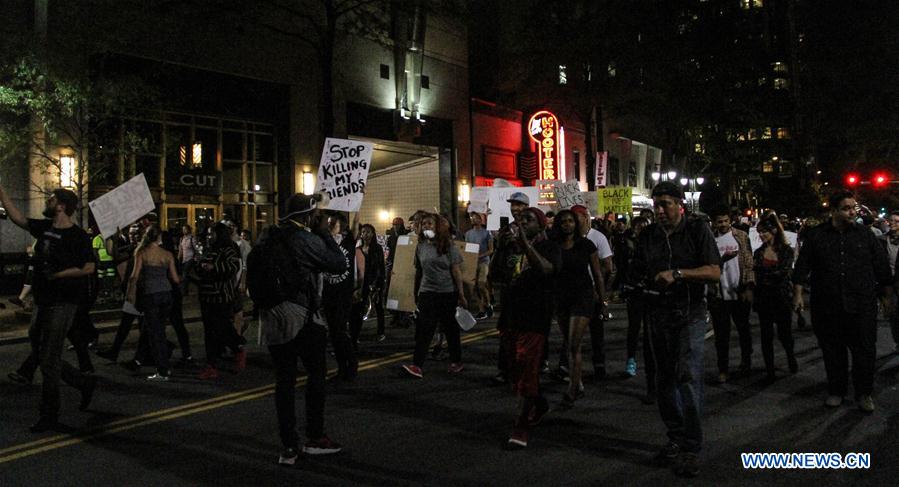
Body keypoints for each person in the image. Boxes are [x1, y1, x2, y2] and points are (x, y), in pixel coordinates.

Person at [629, 181, 720, 477]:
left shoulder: (697, 230)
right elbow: (638, 270)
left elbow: (713, 272)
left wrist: (678, 275)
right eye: (656, 205)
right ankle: (676, 437)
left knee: (688, 377)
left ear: (681, 204)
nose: (660, 210)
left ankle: (692, 445)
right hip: (657, 313)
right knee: (664, 379)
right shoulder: (649, 236)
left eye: (666, 204)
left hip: (689, 313)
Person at [257, 193, 347, 465]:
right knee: (316, 374)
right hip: (301, 314)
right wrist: (325, 233)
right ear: (308, 216)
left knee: (284, 380)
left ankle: (288, 447)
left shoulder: (266, 237)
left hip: (272, 316)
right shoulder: (305, 239)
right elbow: (339, 263)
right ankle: (315, 437)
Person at [0, 185, 98, 432]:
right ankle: (82, 382)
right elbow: (17, 218)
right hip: (43, 302)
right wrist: (2, 190)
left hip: (63, 303)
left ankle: (49, 415)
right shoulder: (45, 228)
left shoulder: (78, 237)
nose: (48, 202)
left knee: (49, 361)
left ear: (61, 206)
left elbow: (88, 268)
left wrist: (59, 275)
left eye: (51, 200)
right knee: (43, 352)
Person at [793, 190, 892, 413]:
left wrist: (886, 296)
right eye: (846, 208)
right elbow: (803, 266)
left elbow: (882, 267)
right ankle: (836, 391)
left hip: (862, 306)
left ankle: (863, 393)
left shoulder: (865, 235)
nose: (852, 212)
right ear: (834, 211)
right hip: (828, 306)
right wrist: (798, 294)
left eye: (853, 208)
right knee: (832, 352)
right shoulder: (817, 236)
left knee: (864, 352)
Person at [501, 207, 561, 449]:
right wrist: (502, 247)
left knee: (527, 368)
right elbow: (499, 275)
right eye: (520, 219)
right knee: (512, 368)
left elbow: (546, 269)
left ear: (542, 224)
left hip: (535, 316)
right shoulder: (514, 246)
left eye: (529, 219)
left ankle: (521, 426)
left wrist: (525, 244)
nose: (522, 222)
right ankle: (539, 402)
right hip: (511, 314)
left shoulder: (549, 246)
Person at [401, 213, 467, 378]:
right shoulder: (421, 246)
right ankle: (417, 365)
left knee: (450, 329)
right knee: (425, 329)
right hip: (427, 293)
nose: (426, 227)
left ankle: (456, 361)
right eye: (424, 224)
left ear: (437, 226)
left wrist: (461, 294)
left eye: (430, 223)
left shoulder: (448, 246)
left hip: (447, 294)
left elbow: (456, 271)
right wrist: (416, 292)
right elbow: (419, 271)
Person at [551, 209, 605, 407]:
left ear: (577, 223)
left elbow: (597, 273)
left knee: (574, 343)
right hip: (562, 297)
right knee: (570, 342)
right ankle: (578, 382)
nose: (568, 225)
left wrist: (603, 300)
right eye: (564, 221)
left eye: (571, 221)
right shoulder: (554, 245)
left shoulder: (586, 244)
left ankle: (572, 389)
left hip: (582, 296)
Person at [708, 206, 755, 384]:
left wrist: (749, 286)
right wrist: (723, 259)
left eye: (726, 221)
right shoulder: (710, 240)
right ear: (714, 222)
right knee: (721, 335)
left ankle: (746, 362)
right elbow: (708, 264)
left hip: (739, 291)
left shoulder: (741, 237)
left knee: (744, 330)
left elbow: (749, 263)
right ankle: (723, 368)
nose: (723, 225)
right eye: (719, 222)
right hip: (719, 294)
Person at [128, 225, 181, 381]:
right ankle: (164, 366)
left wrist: (131, 293)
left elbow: (134, 276)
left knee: (154, 334)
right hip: (166, 295)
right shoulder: (167, 254)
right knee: (160, 330)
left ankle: (162, 370)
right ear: (159, 238)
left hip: (150, 294)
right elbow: (175, 279)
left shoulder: (141, 252)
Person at [489, 192, 531, 384]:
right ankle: (504, 368)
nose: (516, 209)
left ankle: (532, 366)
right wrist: (501, 245)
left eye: (520, 205)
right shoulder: (507, 229)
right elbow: (498, 259)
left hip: (529, 287)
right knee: (506, 329)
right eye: (513, 205)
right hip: (509, 286)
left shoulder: (534, 228)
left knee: (529, 330)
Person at [570, 204, 614, 379]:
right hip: (573, 291)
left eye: (575, 219)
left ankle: (599, 364)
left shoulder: (598, 237)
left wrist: (600, 291)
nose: (571, 223)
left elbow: (607, 266)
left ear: (586, 218)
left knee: (596, 331)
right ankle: (568, 366)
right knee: (571, 333)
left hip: (592, 292)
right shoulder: (568, 239)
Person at [196, 222, 244, 379]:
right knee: (209, 332)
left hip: (221, 297)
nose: (210, 236)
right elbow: (200, 267)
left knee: (223, 328)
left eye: (213, 233)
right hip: (207, 296)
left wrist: (213, 267)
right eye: (209, 233)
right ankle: (211, 365)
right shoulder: (210, 249)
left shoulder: (228, 250)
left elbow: (233, 267)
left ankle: (237, 348)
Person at [753, 215, 797, 382]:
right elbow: (756, 272)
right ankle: (769, 369)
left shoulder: (786, 250)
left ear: (773, 231)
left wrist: (764, 276)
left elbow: (784, 272)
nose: (762, 235)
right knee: (766, 336)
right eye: (759, 232)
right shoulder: (759, 252)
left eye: (764, 231)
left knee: (785, 333)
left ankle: (790, 357)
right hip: (764, 299)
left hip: (782, 298)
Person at [321, 211, 359, 380]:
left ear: (341, 226)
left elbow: (356, 225)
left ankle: (351, 363)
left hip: (343, 294)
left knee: (340, 331)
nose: (330, 226)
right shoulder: (325, 243)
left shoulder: (348, 241)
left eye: (333, 223)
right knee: (335, 333)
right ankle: (343, 367)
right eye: (328, 223)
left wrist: (358, 202)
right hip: (328, 293)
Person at [623, 216, 656, 401]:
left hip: (653, 296)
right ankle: (631, 359)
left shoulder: (657, 246)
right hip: (636, 294)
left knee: (651, 339)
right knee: (634, 328)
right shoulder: (628, 245)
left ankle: (654, 385)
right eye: (639, 227)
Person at [350, 224, 386, 344]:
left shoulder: (377, 249)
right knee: (359, 308)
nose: (366, 234)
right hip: (362, 282)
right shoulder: (358, 249)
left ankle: (381, 332)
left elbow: (381, 267)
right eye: (363, 232)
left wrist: (378, 283)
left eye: (369, 232)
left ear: (373, 233)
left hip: (376, 282)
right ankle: (356, 333)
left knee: (378, 307)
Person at [464, 212, 494, 319]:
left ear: (481, 220)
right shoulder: (468, 234)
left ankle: (488, 304)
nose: (474, 219)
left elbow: (491, 250)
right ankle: (481, 309)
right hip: (472, 262)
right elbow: (467, 248)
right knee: (474, 287)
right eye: (472, 217)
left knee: (481, 284)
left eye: (476, 218)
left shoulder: (486, 233)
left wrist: (480, 255)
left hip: (483, 261)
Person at [878, 210, 899, 353]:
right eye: (890, 220)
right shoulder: (881, 240)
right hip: (888, 284)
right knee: (893, 316)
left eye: (896, 221)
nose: (892, 223)